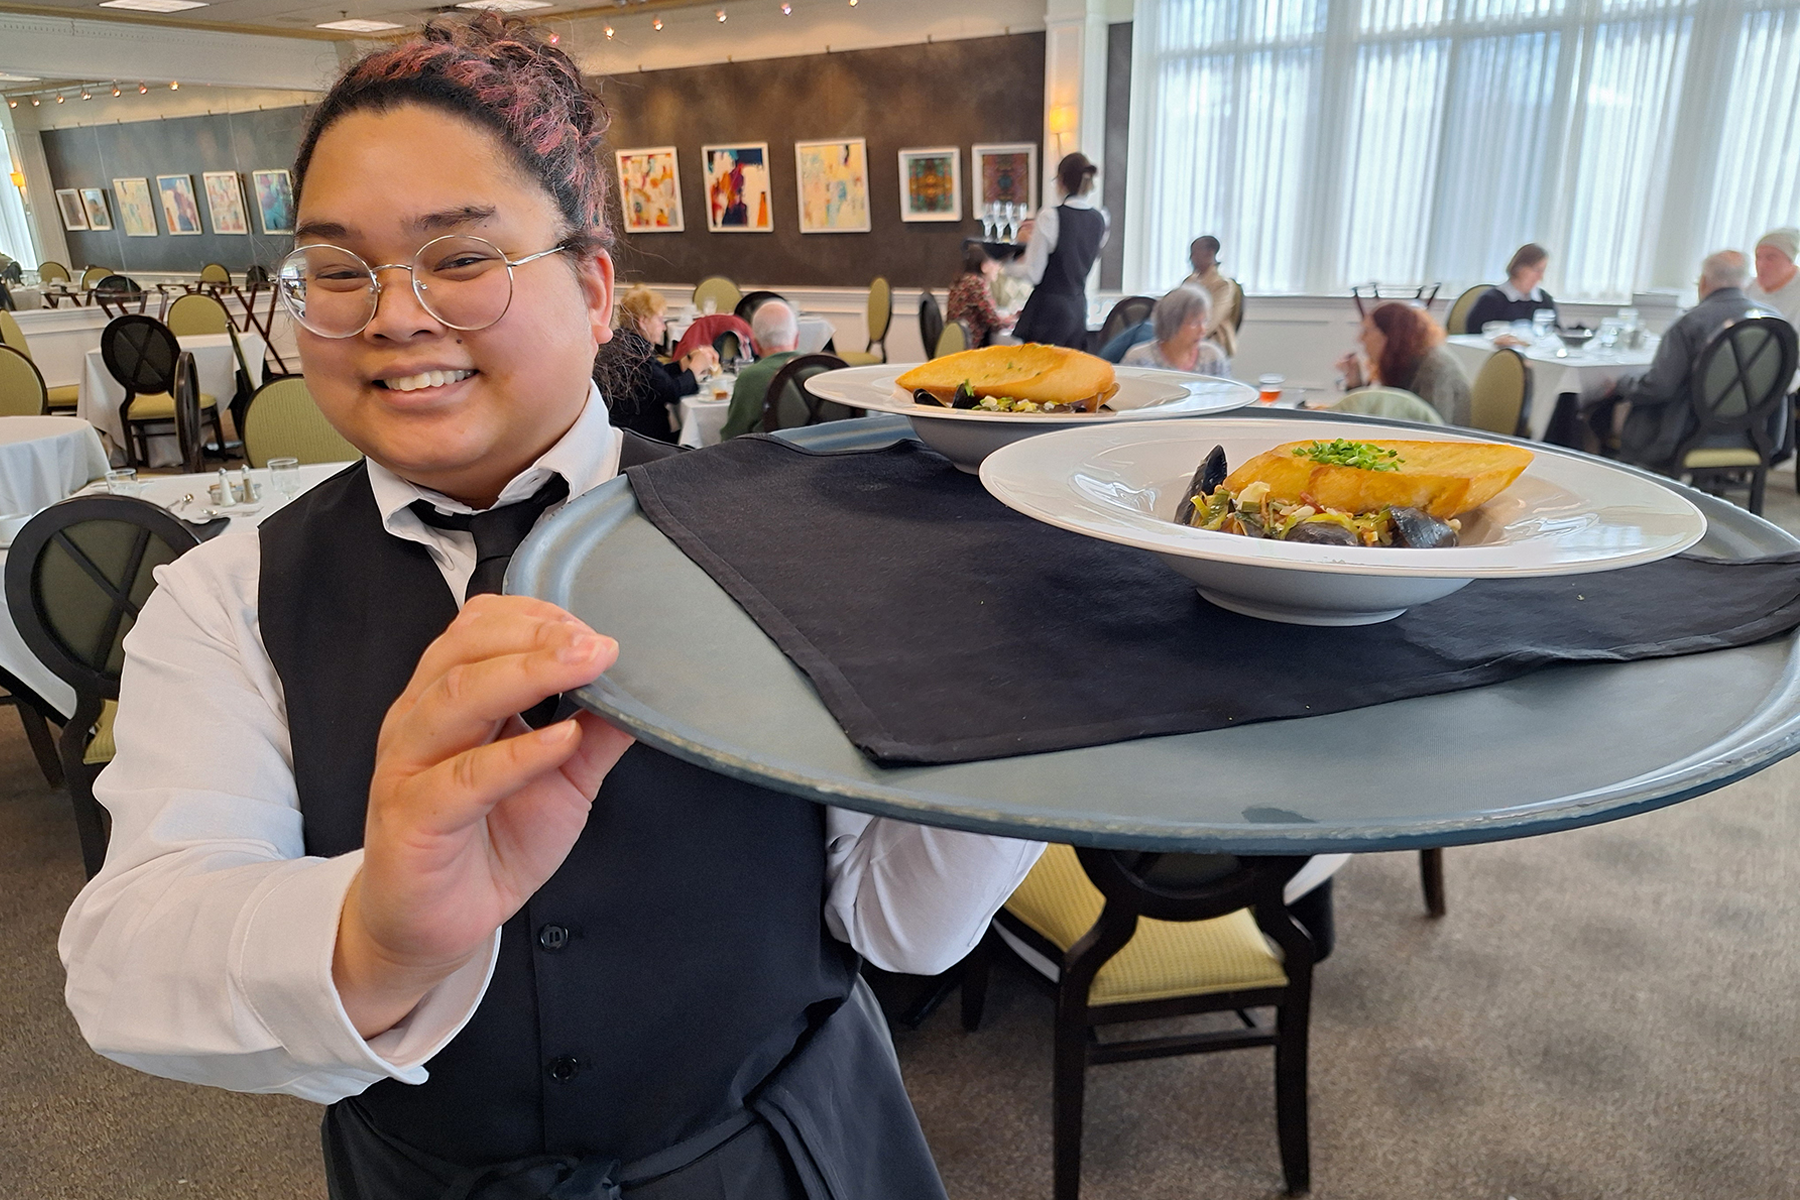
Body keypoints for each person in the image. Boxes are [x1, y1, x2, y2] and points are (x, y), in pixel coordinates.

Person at [58, 16, 1042, 1200]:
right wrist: (375, 935)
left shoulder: (777, 544)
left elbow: (904, 928)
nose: (395, 316)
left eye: (460, 259)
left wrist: (1013, 674)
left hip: (776, 1160)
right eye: (337, 269)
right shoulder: (227, 597)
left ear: (591, 289)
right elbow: (126, 959)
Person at [1605, 250, 1775, 469]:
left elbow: (1659, 387)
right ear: (1744, 281)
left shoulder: (1690, 323)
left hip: (1685, 433)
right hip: (1752, 434)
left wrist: (1623, 383)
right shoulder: (1773, 319)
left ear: (1703, 281)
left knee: (1600, 411)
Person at [1007, 153, 1109, 348]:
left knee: (1038, 373)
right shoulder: (1100, 219)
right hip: (1078, 309)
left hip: (1048, 312)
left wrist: (1006, 265)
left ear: (1061, 181)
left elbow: (1033, 274)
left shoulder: (1050, 216)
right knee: (1068, 372)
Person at [594, 285, 716, 442]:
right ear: (643, 321)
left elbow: (654, 379)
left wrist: (682, 365)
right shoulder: (635, 353)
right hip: (642, 438)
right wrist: (695, 368)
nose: (664, 327)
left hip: (622, 431)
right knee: (703, 438)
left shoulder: (623, 342)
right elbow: (672, 392)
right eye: (660, 320)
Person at [1335, 300, 1471, 426]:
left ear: (1389, 335)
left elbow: (1434, 426)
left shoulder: (1435, 368)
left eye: (1367, 331)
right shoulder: (1404, 360)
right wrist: (1355, 383)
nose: (1360, 339)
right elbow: (1389, 410)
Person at [719, 299, 803, 438]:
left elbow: (732, 437)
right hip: (825, 456)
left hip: (769, 457)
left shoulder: (750, 378)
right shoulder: (824, 370)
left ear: (755, 345)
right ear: (796, 339)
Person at [1121, 285, 1229, 375]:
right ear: (1172, 323)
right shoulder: (1139, 359)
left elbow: (1228, 398)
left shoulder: (1213, 356)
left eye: (1205, 321)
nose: (1203, 330)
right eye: (1194, 323)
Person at [1462, 243, 1558, 334]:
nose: (1540, 277)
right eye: (1537, 270)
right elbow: (1475, 332)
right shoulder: (1491, 300)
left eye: (1543, 271)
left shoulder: (1545, 300)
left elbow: (1555, 331)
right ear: (1519, 268)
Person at [1182, 236, 1239, 358]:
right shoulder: (1189, 281)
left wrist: (1181, 336)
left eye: (1194, 253)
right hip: (1184, 332)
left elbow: (1211, 321)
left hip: (1213, 337)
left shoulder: (1223, 285)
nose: (1190, 258)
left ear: (1210, 253)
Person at [946, 242, 1011, 347]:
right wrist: (1013, 322)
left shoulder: (963, 280)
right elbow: (995, 323)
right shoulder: (975, 284)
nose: (998, 267)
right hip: (969, 346)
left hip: (955, 343)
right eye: (994, 263)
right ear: (984, 266)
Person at [1746, 227, 1800, 326]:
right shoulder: (1747, 288)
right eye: (1758, 257)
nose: (1761, 265)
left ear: (1790, 261)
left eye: (1771, 258)